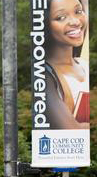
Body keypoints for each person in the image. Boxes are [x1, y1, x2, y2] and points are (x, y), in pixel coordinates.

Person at [44, 0, 90, 129]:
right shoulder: (44, 74)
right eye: (61, 17)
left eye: (78, 11)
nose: (75, 21)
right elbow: (72, 129)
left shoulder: (84, 64)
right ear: (45, 24)